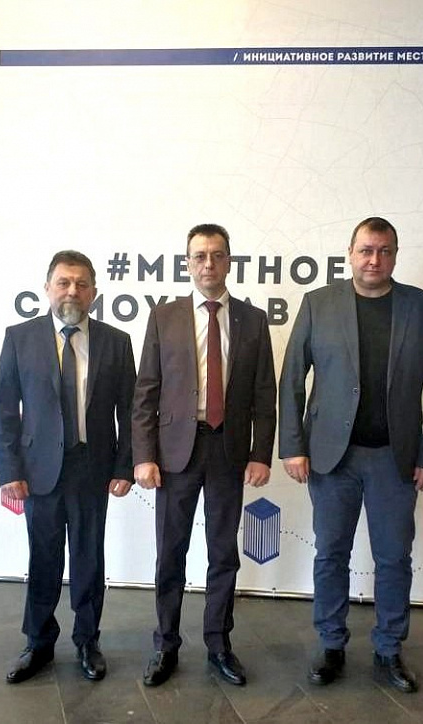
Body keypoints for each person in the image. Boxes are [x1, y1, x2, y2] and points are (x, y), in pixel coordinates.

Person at [278, 217, 423, 693]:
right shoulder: (318, 304)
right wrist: (292, 446)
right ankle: (331, 644)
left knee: (394, 558)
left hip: (396, 459)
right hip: (331, 458)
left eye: (384, 251)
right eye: (366, 250)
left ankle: (389, 649)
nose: (374, 260)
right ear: (350, 254)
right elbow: (292, 378)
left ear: (395, 255)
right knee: (330, 554)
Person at [133, 223, 276, 687]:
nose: (208, 263)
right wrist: (143, 455)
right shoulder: (165, 316)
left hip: (227, 449)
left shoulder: (253, 320)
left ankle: (219, 645)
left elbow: (264, 394)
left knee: (223, 553)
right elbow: (146, 391)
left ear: (229, 261)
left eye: (217, 255)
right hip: (174, 452)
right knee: (170, 552)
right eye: (199, 256)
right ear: (188, 263)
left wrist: (260, 453)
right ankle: (165, 645)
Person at [0, 250, 136, 684]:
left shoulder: (116, 341)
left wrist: (125, 466)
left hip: (92, 467)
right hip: (38, 470)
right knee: (44, 558)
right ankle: (38, 642)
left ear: (94, 292)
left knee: (89, 558)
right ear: (47, 288)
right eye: (64, 282)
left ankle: (88, 641)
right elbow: (4, 410)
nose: (72, 291)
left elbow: (130, 412)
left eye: (81, 284)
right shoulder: (19, 338)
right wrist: (9, 471)